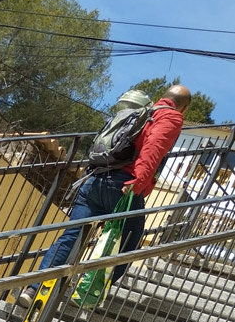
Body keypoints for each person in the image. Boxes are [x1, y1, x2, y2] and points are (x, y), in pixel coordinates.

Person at [17, 85, 192, 308]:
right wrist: (137, 183)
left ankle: (33, 289)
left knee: (72, 236)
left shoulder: (140, 112)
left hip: (93, 180)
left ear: (163, 97)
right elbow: (153, 150)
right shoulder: (170, 117)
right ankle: (85, 293)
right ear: (184, 108)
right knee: (126, 244)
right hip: (122, 185)